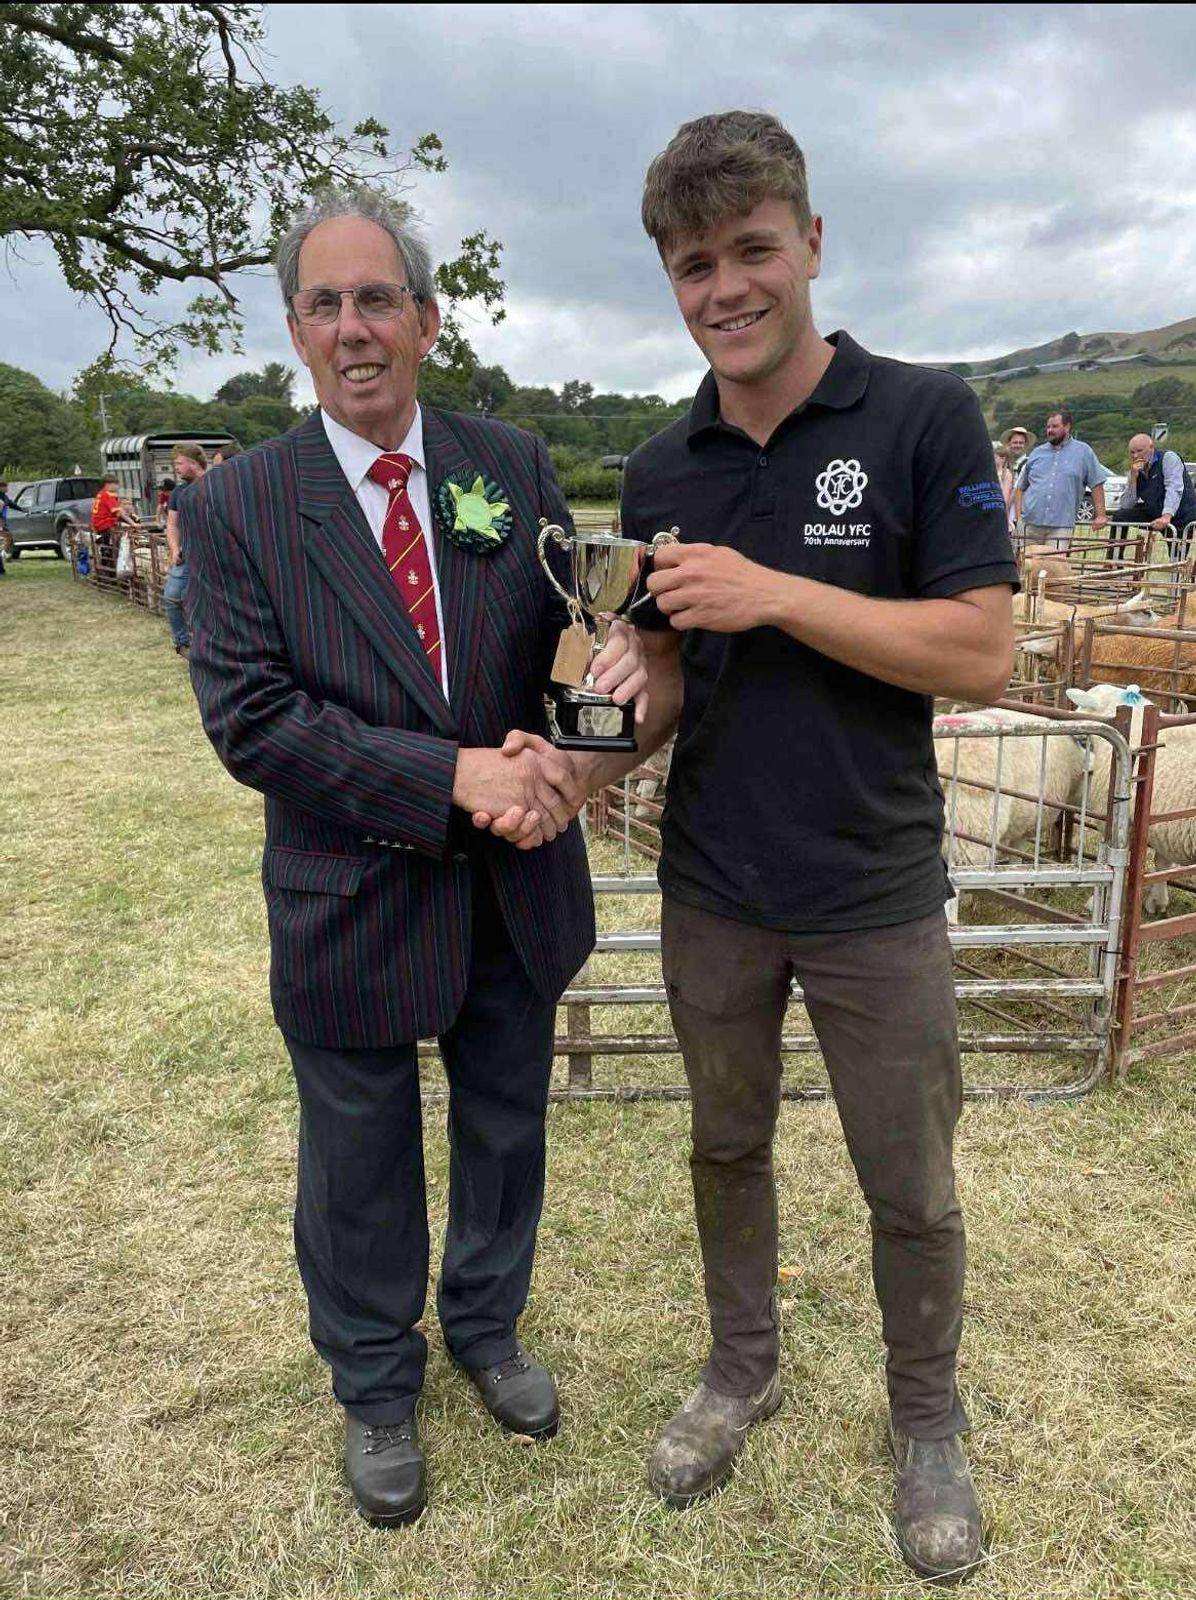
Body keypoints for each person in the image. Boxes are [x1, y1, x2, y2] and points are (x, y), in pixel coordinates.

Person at [502, 110, 1016, 1583]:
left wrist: (776, 592)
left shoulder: (924, 418)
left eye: (749, 253)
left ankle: (927, 1420)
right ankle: (742, 1369)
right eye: (690, 265)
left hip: (872, 890)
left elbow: (980, 649)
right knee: (723, 1142)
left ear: (810, 246)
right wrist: (577, 764)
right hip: (717, 884)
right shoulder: (664, 469)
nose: (723, 288)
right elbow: (660, 675)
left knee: (908, 1175)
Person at [179, 186, 646, 1528]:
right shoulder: (241, 510)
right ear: (294, 332)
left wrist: (574, 762)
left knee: (506, 1129)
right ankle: (377, 1385)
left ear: (427, 321)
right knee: (359, 1156)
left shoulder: (510, 466)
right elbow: (254, 722)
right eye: (323, 305)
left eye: (376, 298)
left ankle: (487, 1330)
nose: (352, 327)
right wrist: (454, 777)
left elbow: (570, 644)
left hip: (515, 881)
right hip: (354, 894)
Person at [1014, 409, 1108, 552]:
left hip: (1061, 525)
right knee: (1026, 568)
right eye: (1048, 427)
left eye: (1055, 426)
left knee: (1054, 567)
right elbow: (1020, 487)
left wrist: (1101, 515)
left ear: (1067, 426)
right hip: (1030, 523)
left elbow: (1096, 483)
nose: (1050, 430)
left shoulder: (1084, 452)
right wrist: (1018, 516)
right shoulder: (1037, 453)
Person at [1110, 432, 1196, 560]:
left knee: (1176, 560)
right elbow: (1126, 504)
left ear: (1151, 448)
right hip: (1154, 511)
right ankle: (1113, 561)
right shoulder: (1136, 471)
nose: (1135, 456)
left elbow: (1174, 488)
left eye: (1139, 451)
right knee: (1120, 516)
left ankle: (1177, 575)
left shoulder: (1168, 458)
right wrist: (1133, 479)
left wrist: (1166, 516)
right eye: (1132, 452)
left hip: (1181, 516)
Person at [163, 445, 207, 655]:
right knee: (172, 597)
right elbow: (172, 524)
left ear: (193, 462)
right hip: (187, 556)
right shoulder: (179, 492)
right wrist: (174, 549)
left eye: (179, 463)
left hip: (211, 556)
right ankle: (182, 644)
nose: (176, 468)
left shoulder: (214, 485)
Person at [90, 473, 140, 579]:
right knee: (121, 542)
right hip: (105, 524)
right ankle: (119, 569)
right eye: (115, 484)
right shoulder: (107, 495)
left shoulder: (100, 494)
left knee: (108, 549)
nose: (117, 486)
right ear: (107, 484)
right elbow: (118, 513)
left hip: (99, 525)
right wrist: (133, 523)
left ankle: (106, 570)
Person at [998, 425, 1033, 542]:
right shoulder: (1006, 464)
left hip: (1018, 513)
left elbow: (1016, 489)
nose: (1017, 445)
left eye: (1021, 443)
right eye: (1015, 442)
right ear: (1009, 443)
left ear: (1025, 445)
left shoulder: (1027, 463)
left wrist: (1005, 509)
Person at [0, 479, 21, 575]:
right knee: (7, 539)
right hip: (1, 522)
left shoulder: (4, 497)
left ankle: (3, 556)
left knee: (9, 540)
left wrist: (22, 509)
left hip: (3, 522)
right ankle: (3, 554)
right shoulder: (1, 498)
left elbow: (11, 504)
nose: (7, 488)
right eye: (5, 487)